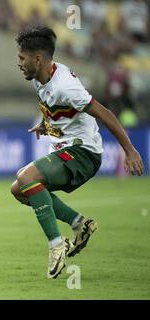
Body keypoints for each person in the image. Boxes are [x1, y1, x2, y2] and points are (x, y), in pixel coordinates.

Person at [11, 26, 144, 279]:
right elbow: (52, 103)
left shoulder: (66, 86)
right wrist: (46, 121)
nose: (18, 63)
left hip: (83, 153)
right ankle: (79, 224)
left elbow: (104, 113)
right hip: (65, 148)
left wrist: (130, 150)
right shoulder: (41, 76)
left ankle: (56, 245)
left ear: (37, 59)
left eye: (21, 58)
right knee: (18, 189)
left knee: (27, 178)